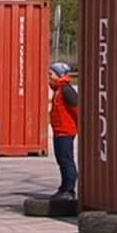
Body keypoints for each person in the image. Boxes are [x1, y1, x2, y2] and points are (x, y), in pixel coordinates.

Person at [49, 62, 79, 200]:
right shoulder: (58, 90)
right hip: (58, 131)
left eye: (51, 74)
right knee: (61, 160)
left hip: (66, 131)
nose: (49, 76)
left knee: (67, 160)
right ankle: (63, 187)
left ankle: (69, 189)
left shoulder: (66, 90)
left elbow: (77, 111)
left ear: (59, 75)